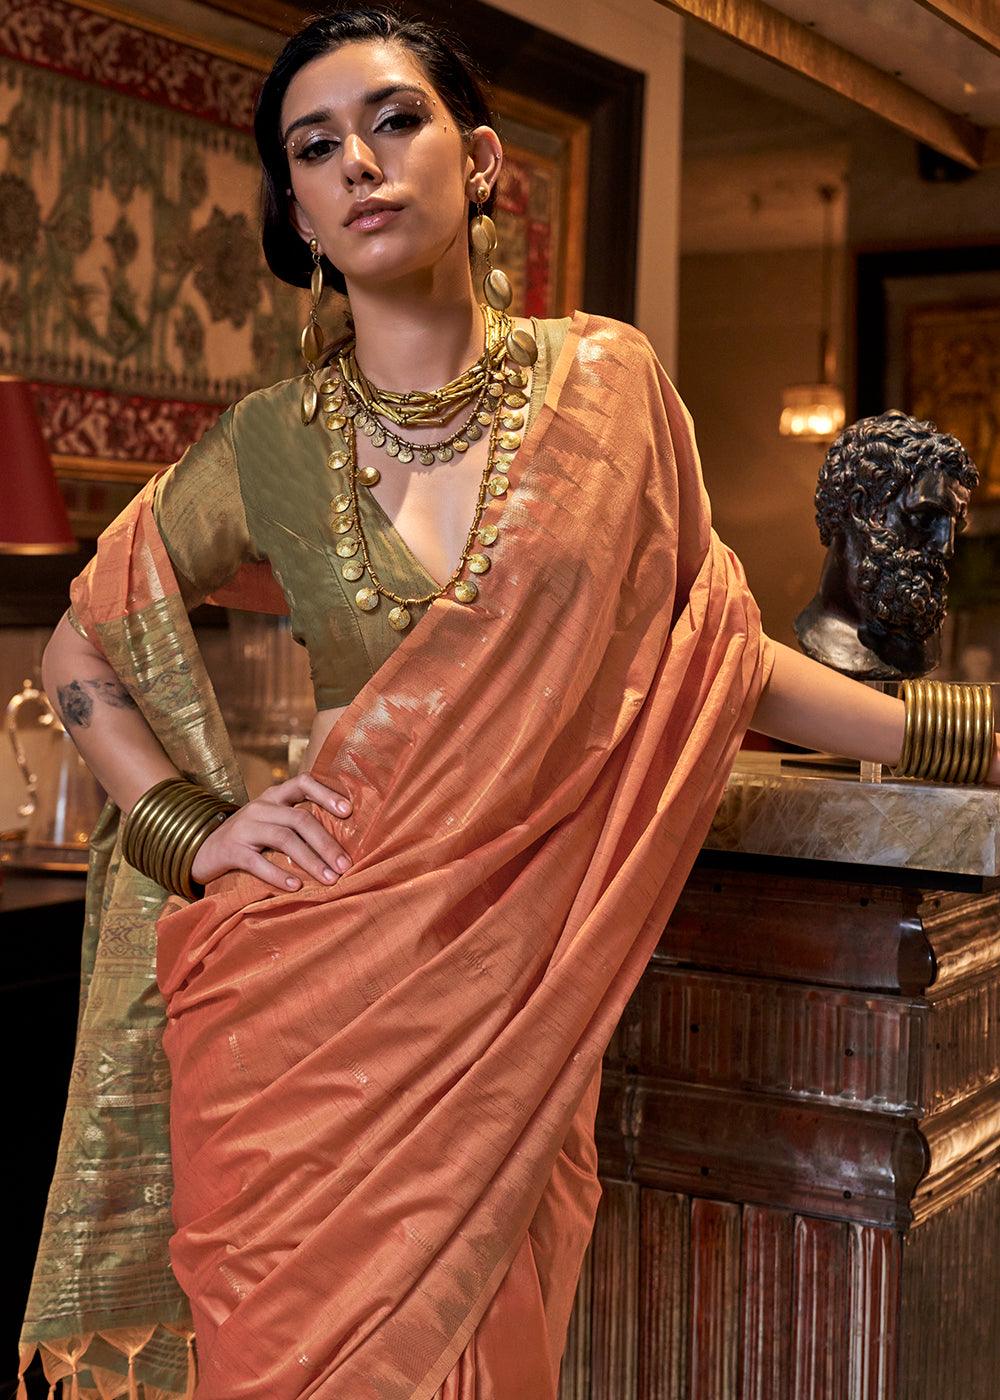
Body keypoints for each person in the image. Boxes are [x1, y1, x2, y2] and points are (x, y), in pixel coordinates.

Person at [18, 7, 999, 1399]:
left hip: (504, 1007)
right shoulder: (266, 449)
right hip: (293, 1011)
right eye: (315, 147)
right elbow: (81, 643)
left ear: (478, 161)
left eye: (394, 120)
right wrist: (195, 828)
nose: (359, 163)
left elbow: (715, 657)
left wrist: (968, 734)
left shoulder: (608, 387)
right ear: (296, 212)